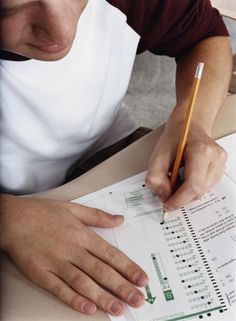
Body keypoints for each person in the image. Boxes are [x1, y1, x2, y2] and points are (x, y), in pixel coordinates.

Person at [0, 0, 232, 317]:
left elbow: (203, 35)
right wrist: (8, 216)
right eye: (8, 10)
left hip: (113, 149)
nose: (62, 32)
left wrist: (192, 123)